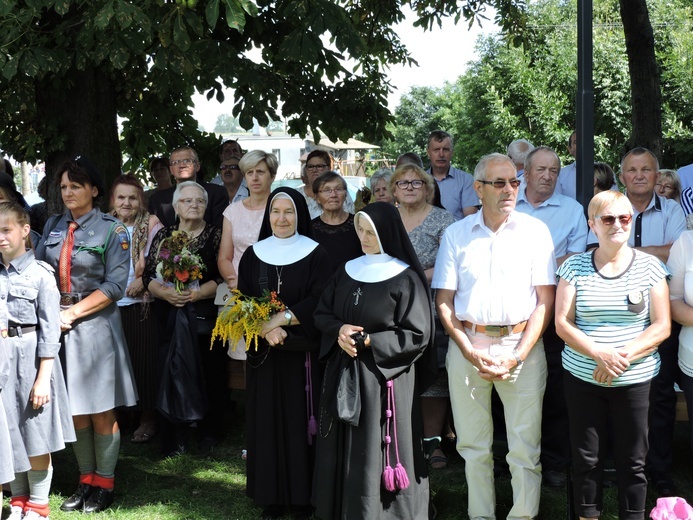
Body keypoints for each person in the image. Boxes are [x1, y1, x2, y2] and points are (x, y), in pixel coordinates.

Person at [433, 153, 556, 520]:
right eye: (499, 183)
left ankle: (523, 515)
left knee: (524, 446)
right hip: (468, 346)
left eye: (514, 182)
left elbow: (545, 302)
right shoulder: (456, 234)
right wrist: (469, 350)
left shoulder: (536, 232)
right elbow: (444, 302)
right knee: (473, 446)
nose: (509, 189)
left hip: (523, 348)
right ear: (478, 188)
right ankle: (481, 515)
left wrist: (517, 355)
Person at [313, 201, 435, 519]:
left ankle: (385, 512)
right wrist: (338, 330)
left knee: (376, 445)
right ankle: (343, 508)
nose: (364, 237)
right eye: (360, 230)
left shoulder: (405, 278)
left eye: (371, 232)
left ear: (387, 233)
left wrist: (371, 340)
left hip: (385, 378)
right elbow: (323, 312)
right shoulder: (347, 270)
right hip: (345, 371)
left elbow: (418, 333)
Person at [555, 190, 670, 520]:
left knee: (634, 461)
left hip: (636, 381)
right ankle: (587, 515)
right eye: (607, 219)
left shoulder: (651, 267)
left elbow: (661, 326)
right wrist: (597, 353)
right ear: (592, 225)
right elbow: (563, 323)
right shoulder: (574, 267)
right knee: (586, 459)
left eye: (624, 218)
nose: (617, 224)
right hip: (583, 378)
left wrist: (620, 358)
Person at [35, 156, 138, 513]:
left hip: (94, 326)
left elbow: (114, 286)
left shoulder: (112, 230)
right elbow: (38, 270)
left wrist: (73, 312)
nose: (68, 193)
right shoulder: (52, 225)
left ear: (94, 190)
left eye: (75, 186)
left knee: (100, 411)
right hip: (58, 326)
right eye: (63, 187)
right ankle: (85, 480)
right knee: (76, 410)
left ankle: (105, 484)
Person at [238, 187, 331, 519]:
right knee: (267, 423)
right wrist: (267, 328)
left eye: (288, 212)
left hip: (302, 359)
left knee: (300, 424)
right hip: (266, 358)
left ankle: (304, 497)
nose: (281, 218)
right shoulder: (254, 254)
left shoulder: (317, 253)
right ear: (268, 216)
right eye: (275, 211)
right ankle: (272, 496)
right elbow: (244, 300)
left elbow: (321, 298)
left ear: (299, 215)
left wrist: (281, 320)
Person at [0, 202, 75, 520]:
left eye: (6, 230)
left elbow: (49, 330)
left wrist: (44, 377)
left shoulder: (40, 273)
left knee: (35, 431)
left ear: (25, 230)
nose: (1, 237)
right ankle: (18, 499)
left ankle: (39, 505)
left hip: (33, 361)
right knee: (9, 431)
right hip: (3, 361)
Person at [142, 181, 223, 456]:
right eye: (187, 201)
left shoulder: (215, 234)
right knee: (171, 370)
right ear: (176, 206)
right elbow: (147, 275)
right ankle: (175, 433)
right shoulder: (165, 234)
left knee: (206, 371)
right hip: (168, 313)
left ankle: (207, 431)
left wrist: (196, 294)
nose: (194, 205)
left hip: (202, 313)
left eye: (199, 201)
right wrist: (166, 294)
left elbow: (222, 276)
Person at [390, 163, 456, 470]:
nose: (409, 188)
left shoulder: (444, 220)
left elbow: (448, 264)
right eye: (402, 183)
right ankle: (401, 440)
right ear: (393, 189)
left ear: (427, 187)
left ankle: (433, 443)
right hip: (391, 311)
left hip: (431, 308)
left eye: (416, 183)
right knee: (399, 375)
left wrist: (408, 277)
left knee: (434, 377)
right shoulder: (386, 219)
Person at [110, 175, 163, 444]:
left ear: (140, 199)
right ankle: (122, 415)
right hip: (110, 305)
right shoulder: (105, 225)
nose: (126, 202)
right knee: (118, 363)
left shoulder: (152, 223)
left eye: (132, 197)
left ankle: (147, 417)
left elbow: (163, 259)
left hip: (142, 304)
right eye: (121, 197)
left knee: (144, 362)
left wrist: (144, 280)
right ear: (113, 200)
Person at [218, 150, 277, 292]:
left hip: (275, 287)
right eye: (250, 173)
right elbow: (224, 257)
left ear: (273, 176)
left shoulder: (281, 208)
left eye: (260, 172)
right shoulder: (232, 211)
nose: (255, 178)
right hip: (239, 289)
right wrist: (236, 282)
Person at [148, 146, 228, 228]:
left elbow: (220, 230)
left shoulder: (217, 193)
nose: (182, 165)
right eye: (176, 162)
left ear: (197, 166)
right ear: (171, 170)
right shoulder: (156, 200)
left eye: (187, 161)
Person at [310, 171, 362, 272]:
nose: (333, 195)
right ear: (317, 198)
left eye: (338, 189)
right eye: (326, 190)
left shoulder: (359, 224)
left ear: (346, 194)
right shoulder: (310, 229)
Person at [426, 130, 478, 219]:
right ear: (428, 152)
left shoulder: (466, 180)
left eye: (445, 149)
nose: (441, 154)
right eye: (436, 150)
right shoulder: (419, 181)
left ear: (452, 152)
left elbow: (470, 219)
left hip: (457, 231)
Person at [297, 150, 354, 219]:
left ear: (329, 168)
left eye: (319, 166)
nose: (314, 170)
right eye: (310, 167)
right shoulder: (297, 195)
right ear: (306, 170)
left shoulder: (339, 193)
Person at [557, 130, 577, 198]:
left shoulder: (604, 171)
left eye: (585, 140)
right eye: (576, 142)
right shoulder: (560, 175)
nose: (582, 143)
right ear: (570, 149)